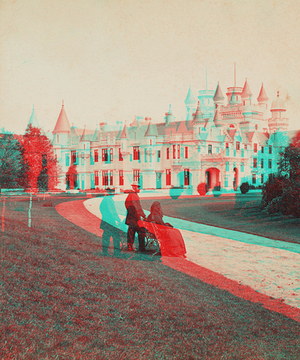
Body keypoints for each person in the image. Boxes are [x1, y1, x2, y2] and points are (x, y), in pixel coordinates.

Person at [125, 181, 146, 252]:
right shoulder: (133, 195)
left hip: (132, 217)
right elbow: (138, 207)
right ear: (134, 187)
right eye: (138, 187)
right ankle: (140, 248)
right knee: (139, 231)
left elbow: (126, 203)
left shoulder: (132, 194)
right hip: (133, 217)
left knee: (131, 231)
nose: (139, 189)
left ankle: (130, 246)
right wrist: (142, 215)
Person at [100, 189, 122, 255]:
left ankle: (105, 252)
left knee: (106, 237)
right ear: (109, 192)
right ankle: (117, 253)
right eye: (112, 191)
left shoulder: (105, 198)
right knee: (116, 236)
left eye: (113, 191)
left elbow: (100, 208)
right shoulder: (108, 200)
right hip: (110, 222)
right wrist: (118, 219)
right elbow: (113, 212)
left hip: (105, 221)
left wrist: (104, 215)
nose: (113, 193)